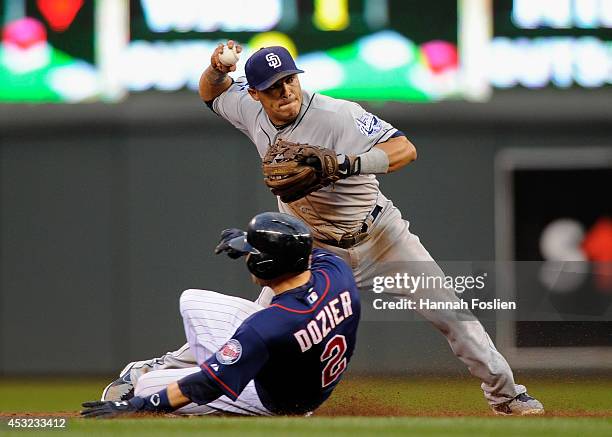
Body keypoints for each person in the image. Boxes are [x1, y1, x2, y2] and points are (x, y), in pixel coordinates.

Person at [102, 41, 543, 416]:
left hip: (381, 236)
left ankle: (508, 397)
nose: (284, 90)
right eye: (272, 87)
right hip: (312, 251)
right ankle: (152, 369)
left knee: (452, 314)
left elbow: (405, 149)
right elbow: (210, 93)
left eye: (289, 80)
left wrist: (348, 164)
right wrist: (217, 68)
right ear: (254, 94)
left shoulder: (337, 116)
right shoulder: (248, 109)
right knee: (259, 327)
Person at [84, 212, 360, 417]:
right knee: (192, 301)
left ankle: (228, 409)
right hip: (302, 375)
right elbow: (299, 249)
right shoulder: (336, 272)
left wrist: (138, 405)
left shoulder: (267, 326)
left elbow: (208, 385)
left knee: (146, 387)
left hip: (276, 401)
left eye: (251, 252)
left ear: (265, 265)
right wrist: (248, 241)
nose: (248, 257)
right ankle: (192, 367)